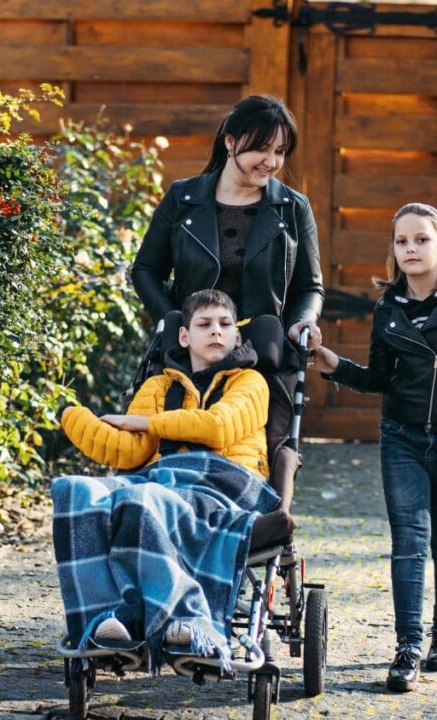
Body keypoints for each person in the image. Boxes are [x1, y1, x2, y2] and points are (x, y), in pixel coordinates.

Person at [310, 203, 437, 692]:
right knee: (408, 542)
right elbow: (379, 378)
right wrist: (334, 364)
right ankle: (406, 648)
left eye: (421, 239)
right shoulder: (388, 308)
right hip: (401, 437)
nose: (410, 249)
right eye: (401, 242)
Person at [52, 290, 293, 671]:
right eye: (204, 324)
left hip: (225, 484)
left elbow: (218, 427)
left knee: (143, 498)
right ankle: (106, 621)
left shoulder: (250, 383)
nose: (216, 332)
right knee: (75, 490)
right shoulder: (158, 388)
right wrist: (74, 417)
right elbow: (130, 451)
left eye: (225, 325)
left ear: (236, 336)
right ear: (184, 336)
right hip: (161, 481)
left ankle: (189, 618)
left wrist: (149, 423)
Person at [131, 95, 324, 487]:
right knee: (175, 442)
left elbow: (310, 285)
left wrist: (301, 323)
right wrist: (175, 321)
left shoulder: (292, 208)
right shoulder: (183, 199)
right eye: (261, 148)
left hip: (262, 355)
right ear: (231, 141)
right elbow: (146, 270)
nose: (270, 161)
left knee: (250, 450)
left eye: (280, 151)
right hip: (190, 354)